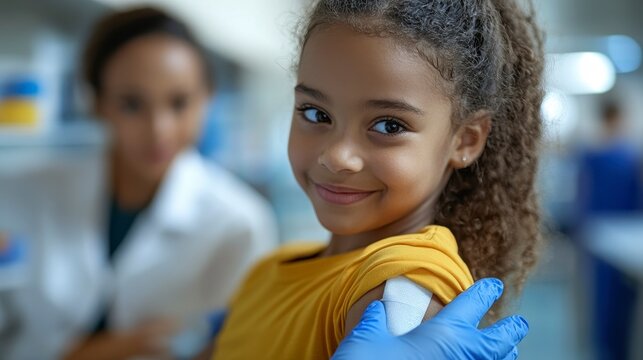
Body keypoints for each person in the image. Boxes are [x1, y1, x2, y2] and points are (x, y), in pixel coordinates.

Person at [211, 0, 544, 358]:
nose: (336, 156)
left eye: (389, 125)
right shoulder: (271, 269)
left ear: (466, 139)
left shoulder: (404, 278)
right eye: (315, 113)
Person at [0, 7, 277, 359]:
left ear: (208, 100)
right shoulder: (20, 193)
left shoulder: (239, 225)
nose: (158, 130)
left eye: (179, 103)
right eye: (132, 104)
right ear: (97, 102)